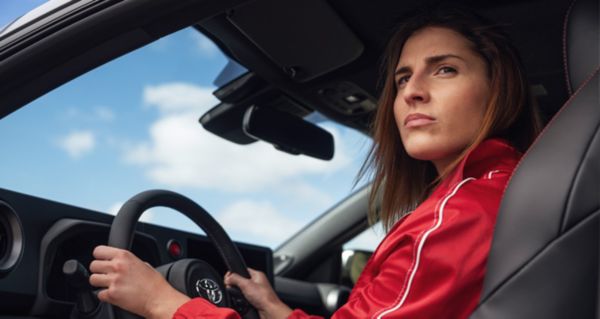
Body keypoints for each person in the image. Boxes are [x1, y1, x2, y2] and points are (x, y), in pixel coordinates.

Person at [88, 5, 542, 319]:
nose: (411, 91)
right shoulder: (488, 194)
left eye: (445, 69)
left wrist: (164, 304)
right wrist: (279, 309)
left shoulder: (462, 213)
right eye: (403, 77)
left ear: (497, 90)